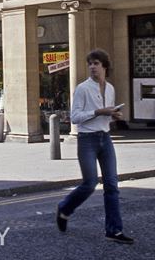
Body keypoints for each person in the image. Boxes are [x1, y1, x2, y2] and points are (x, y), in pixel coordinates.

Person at [56, 49, 133, 244]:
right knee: (90, 183)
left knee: (112, 186)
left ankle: (114, 231)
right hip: (87, 140)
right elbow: (75, 117)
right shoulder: (82, 88)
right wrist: (99, 111)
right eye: (90, 63)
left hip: (105, 139)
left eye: (96, 63)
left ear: (104, 66)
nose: (92, 67)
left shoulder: (110, 89)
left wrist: (114, 115)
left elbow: (107, 113)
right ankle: (65, 208)